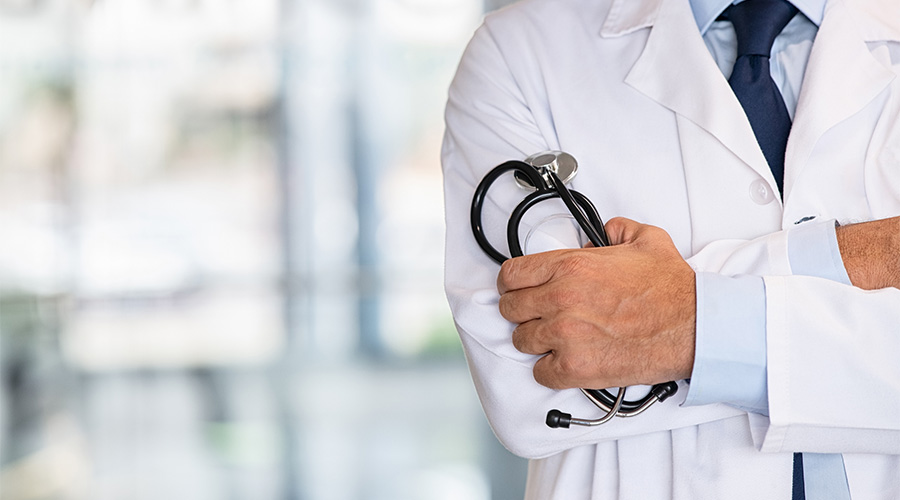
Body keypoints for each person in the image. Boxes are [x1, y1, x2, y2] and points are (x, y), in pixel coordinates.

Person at [441, 0, 900, 498]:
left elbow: (584, 343)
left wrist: (678, 322)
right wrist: (858, 257)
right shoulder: (519, 51)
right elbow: (526, 389)